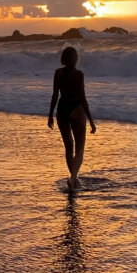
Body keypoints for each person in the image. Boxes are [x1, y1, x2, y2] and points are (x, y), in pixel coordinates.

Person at [47, 46, 96, 190]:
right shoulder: (79, 74)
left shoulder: (58, 73)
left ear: (63, 59)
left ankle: (73, 180)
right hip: (76, 109)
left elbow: (55, 94)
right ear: (75, 59)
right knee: (80, 148)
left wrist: (50, 115)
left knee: (69, 148)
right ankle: (73, 178)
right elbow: (83, 98)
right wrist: (91, 120)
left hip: (62, 109)